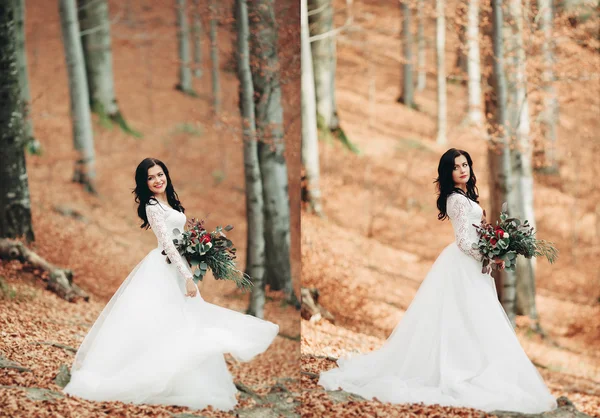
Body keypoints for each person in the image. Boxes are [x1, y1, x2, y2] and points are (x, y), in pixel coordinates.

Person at [318, 148, 557, 414]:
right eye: (456, 167)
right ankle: (456, 368)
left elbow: (475, 234)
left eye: (465, 164)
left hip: (472, 266)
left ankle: (473, 365)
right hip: (463, 265)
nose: (462, 170)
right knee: (465, 316)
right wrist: (493, 254)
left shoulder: (466, 196)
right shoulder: (455, 199)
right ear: (448, 172)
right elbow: (465, 242)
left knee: (472, 318)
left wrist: (492, 250)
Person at [63, 158, 279, 411]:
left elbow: (179, 239)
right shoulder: (152, 206)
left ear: (166, 174)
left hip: (178, 266)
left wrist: (197, 253)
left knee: (186, 321)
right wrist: (187, 277)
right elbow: (166, 244)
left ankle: (182, 380)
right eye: (151, 177)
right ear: (145, 183)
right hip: (163, 268)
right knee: (166, 322)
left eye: (160, 174)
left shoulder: (169, 202)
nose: (157, 180)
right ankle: (151, 378)